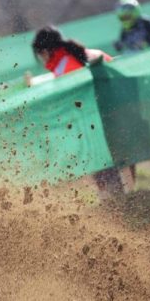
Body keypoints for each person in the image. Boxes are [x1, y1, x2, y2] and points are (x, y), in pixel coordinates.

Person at [31, 27, 125, 196]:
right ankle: (124, 196)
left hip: (96, 123)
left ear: (45, 51)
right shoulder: (86, 53)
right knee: (120, 166)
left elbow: (73, 102)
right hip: (119, 112)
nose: (42, 59)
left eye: (40, 54)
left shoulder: (64, 67)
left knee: (105, 169)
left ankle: (116, 200)